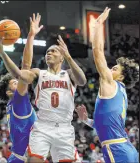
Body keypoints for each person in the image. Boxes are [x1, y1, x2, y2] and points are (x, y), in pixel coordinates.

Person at [76, 7, 139, 163]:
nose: (111, 69)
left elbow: (97, 51)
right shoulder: (119, 92)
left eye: (115, 68)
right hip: (123, 148)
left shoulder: (111, 83)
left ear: (122, 76)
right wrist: (86, 120)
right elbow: (105, 124)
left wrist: (98, 25)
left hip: (117, 150)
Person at [21, 25, 87, 163]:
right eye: (47, 52)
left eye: (53, 51)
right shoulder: (39, 73)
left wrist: (69, 56)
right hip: (43, 125)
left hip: (64, 128)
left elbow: (82, 80)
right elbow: (23, 71)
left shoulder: (69, 74)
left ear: (61, 58)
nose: (49, 54)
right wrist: (30, 37)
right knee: (33, 160)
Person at [0, 13, 43, 163]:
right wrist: (31, 36)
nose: (19, 81)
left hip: (17, 157)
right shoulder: (18, 101)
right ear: (9, 92)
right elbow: (25, 68)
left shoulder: (12, 106)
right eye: (15, 82)